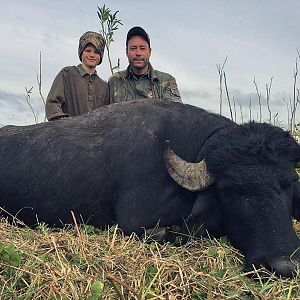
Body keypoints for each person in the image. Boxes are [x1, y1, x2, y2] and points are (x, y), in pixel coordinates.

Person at [107, 26, 182, 103]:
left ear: (149, 52)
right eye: (133, 48)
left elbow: (176, 113)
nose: (138, 53)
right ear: (127, 52)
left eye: (142, 48)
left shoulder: (166, 80)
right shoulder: (114, 80)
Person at [46, 31, 108, 121]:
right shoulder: (67, 74)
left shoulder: (104, 86)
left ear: (101, 56)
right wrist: (60, 120)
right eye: (88, 51)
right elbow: (52, 104)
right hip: (69, 132)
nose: (92, 55)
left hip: (95, 134)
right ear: (81, 52)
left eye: (96, 52)